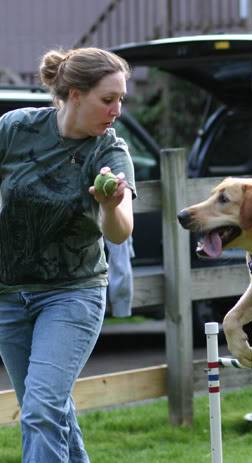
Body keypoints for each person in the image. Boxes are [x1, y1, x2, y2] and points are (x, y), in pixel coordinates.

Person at [0, 47, 136, 462]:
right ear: (75, 94)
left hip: (72, 295)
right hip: (9, 297)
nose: (116, 110)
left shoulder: (109, 153)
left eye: (121, 100)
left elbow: (120, 232)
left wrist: (111, 206)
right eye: (107, 99)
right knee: (51, 411)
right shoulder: (15, 128)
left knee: (40, 410)